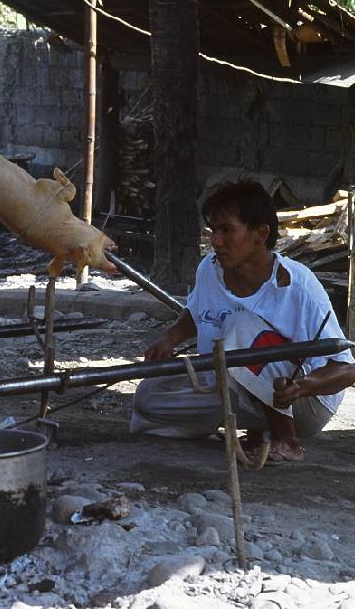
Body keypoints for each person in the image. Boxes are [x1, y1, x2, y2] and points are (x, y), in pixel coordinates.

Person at [130, 179, 355, 462]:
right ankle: (252, 428)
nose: (215, 241)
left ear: (260, 234)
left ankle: (287, 439)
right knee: (148, 399)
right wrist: (171, 336)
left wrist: (303, 386)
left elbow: (347, 369)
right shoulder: (209, 270)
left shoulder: (297, 286)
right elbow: (199, 309)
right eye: (213, 231)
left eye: (226, 230)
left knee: (240, 327)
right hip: (233, 386)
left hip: (302, 403)